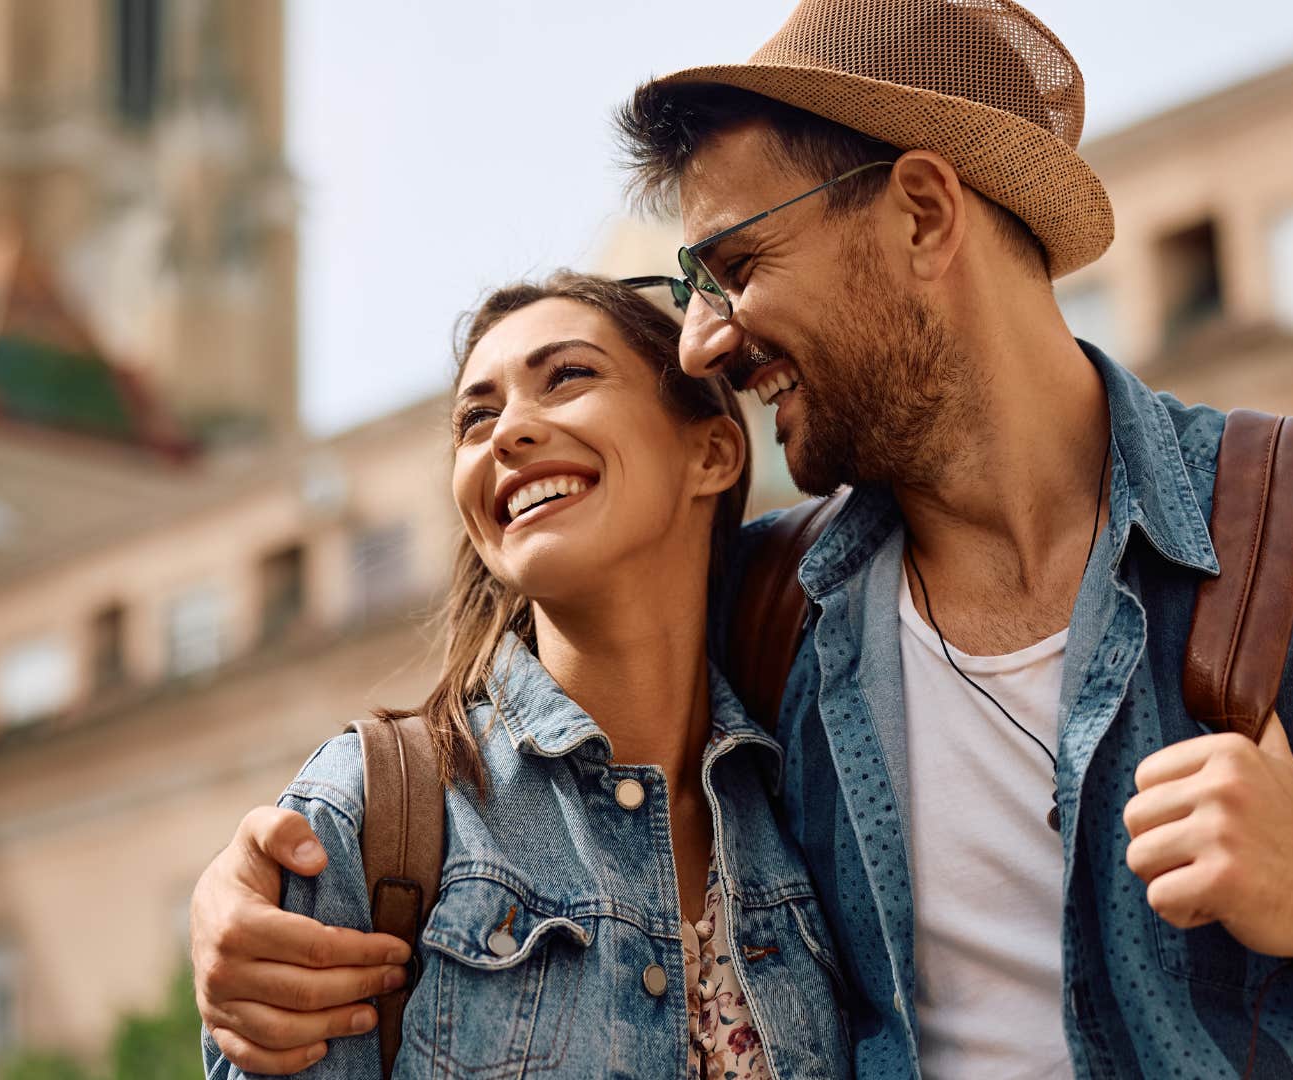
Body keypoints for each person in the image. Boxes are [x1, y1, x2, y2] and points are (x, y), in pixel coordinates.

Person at [192, 2, 1293, 1077]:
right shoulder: (768, 616)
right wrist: (244, 904)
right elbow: (523, 744)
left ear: (919, 213)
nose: (704, 338)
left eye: (738, 265)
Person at [198, 272, 851, 1079]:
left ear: (710, 451)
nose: (507, 432)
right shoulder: (372, 814)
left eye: (568, 377)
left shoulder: (812, 795)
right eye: (476, 417)